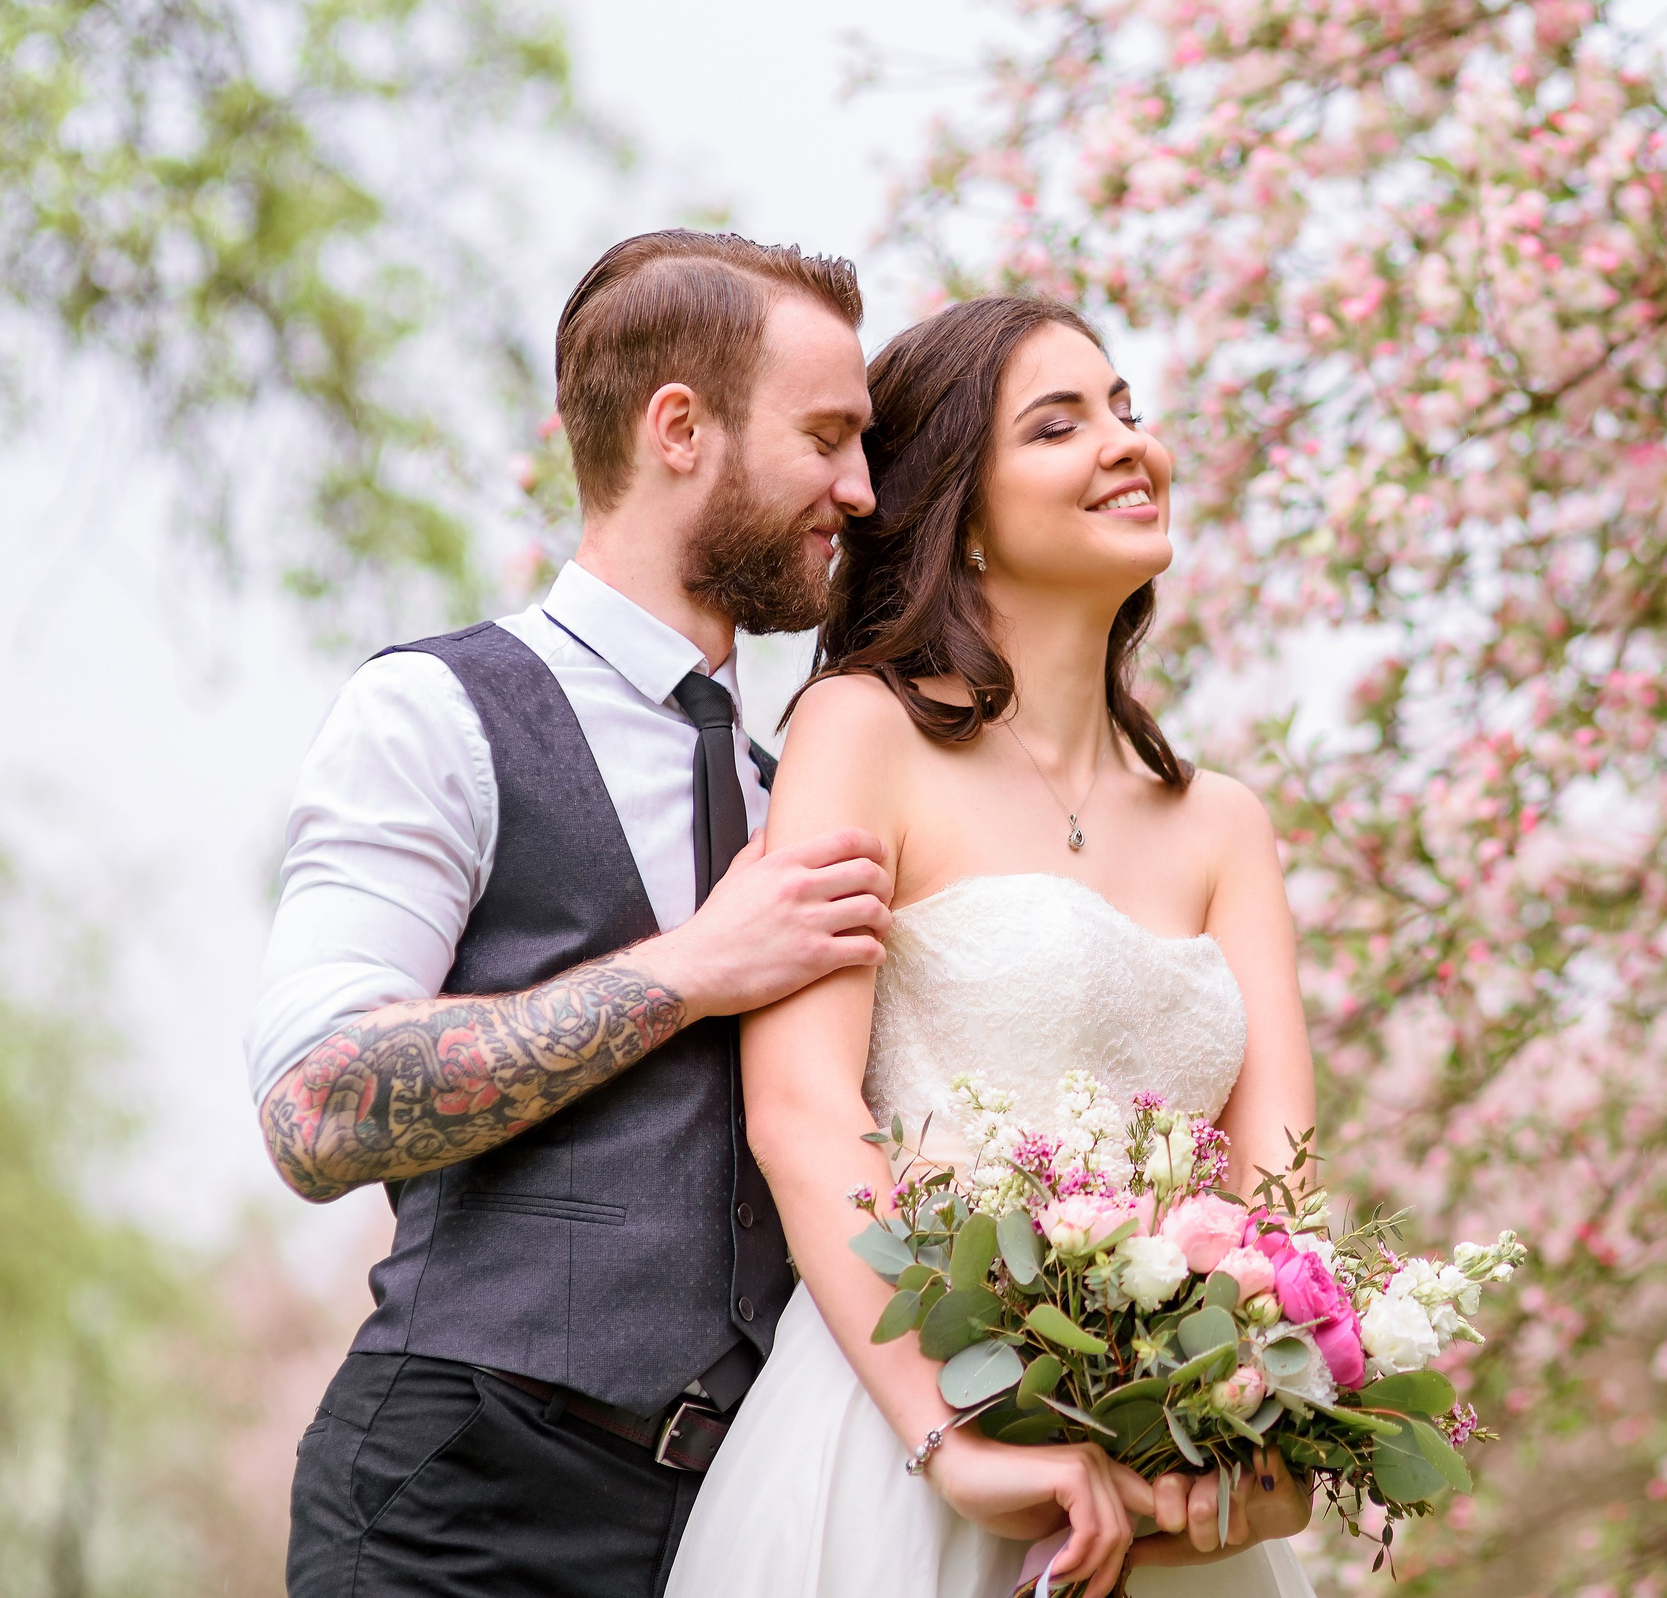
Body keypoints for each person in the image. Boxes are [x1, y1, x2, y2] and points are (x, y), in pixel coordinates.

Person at [252, 230, 900, 1598]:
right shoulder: (434, 712)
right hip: (462, 1511)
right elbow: (313, 1110)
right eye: (829, 436)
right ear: (680, 427)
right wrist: (691, 969)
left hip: (745, 1526)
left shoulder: (796, 786)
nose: (861, 486)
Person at [662, 295, 1321, 1596]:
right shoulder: (861, 736)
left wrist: (1268, 1424)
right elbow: (800, 1111)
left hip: (1171, 1480)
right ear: (959, 509)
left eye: (1128, 408)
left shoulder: (1226, 826)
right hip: (904, 1449)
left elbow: (1281, 1194)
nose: (1129, 443)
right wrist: (949, 1435)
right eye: (1061, 424)